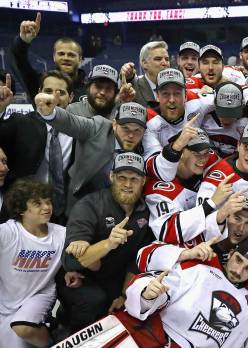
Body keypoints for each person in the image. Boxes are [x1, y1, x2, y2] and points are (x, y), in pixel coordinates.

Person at [122, 237, 248, 348]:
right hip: (154, 331)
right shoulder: (200, 263)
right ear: (231, 254)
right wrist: (149, 295)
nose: (238, 271)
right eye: (238, 260)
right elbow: (150, 263)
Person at [59, 152, 154, 333]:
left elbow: (138, 259)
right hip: (82, 279)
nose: (127, 185)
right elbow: (70, 261)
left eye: (134, 179)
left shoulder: (145, 212)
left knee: (136, 301)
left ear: (143, 181)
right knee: (95, 300)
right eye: (122, 178)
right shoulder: (89, 205)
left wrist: (125, 294)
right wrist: (108, 244)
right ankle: (67, 332)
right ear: (111, 177)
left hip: (115, 278)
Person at [35, 92, 147, 210]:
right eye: (125, 128)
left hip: (121, 206)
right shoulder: (99, 127)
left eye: (137, 130)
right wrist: (51, 114)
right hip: (82, 198)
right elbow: (71, 122)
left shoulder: (146, 146)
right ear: (114, 124)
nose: (130, 135)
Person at [0, 179, 65, 348]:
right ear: (21, 209)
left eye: (48, 201)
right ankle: (46, 334)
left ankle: (56, 347)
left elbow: (87, 258)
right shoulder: (9, 232)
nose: (46, 207)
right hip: (7, 303)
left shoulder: (61, 233)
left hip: (40, 294)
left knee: (23, 328)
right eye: (37, 203)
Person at [0, 71, 74, 219]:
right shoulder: (19, 122)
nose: (53, 97)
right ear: (39, 93)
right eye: (48, 91)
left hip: (65, 215)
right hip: (21, 213)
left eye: (61, 93)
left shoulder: (79, 130)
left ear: (71, 98)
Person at [198, 123, 248, 236]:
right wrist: (223, 212)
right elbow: (201, 223)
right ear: (238, 146)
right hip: (228, 242)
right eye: (247, 147)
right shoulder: (218, 179)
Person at [11, 12, 86, 101]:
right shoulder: (40, 82)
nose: (66, 58)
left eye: (71, 55)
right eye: (61, 54)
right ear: (54, 57)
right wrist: (23, 41)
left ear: (80, 60)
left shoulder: (91, 90)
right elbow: (19, 62)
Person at [143, 68, 215, 158]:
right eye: (165, 94)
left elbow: (228, 97)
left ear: (185, 95)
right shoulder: (149, 122)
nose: (172, 100)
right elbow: (152, 166)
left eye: (177, 93)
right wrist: (176, 146)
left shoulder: (197, 102)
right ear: (157, 96)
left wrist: (221, 83)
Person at [201, 82, 248, 158]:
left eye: (232, 112)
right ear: (214, 104)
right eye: (223, 112)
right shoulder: (202, 111)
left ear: (242, 106)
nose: (227, 119)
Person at [121, 41, 171, 108]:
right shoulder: (134, 87)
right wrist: (127, 75)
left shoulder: (176, 87)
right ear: (144, 63)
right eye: (158, 59)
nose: (165, 63)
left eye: (167, 59)